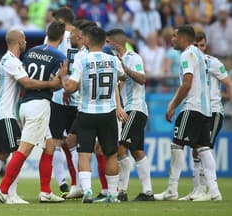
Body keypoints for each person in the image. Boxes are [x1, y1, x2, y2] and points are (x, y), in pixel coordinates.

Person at [0, 28, 60, 204]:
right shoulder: (12, 61)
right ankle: (10, 194)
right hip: (5, 113)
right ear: (19, 41)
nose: (26, 43)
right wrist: (51, 83)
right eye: (24, 39)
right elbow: (27, 82)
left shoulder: (7, 60)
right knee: (17, 151)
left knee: (1, 153)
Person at [58, 26, 126, 203]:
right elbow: (122, 76)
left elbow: (70, 87)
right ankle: (112, 194)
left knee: (84, 154)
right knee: (111, 154)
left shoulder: (83, 60)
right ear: (104, 41)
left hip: (87, 113)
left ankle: (87, 192)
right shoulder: (113, 60)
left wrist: (63, 77)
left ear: (87, 41)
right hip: (108, 113)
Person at [154, 25, 222, 201]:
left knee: (177, 145)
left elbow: (187, 83)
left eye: (175, 36)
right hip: (206, 110)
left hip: (192, 107)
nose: (172, 39)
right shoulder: (199, 55)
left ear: (183, 38)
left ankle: (171, 189)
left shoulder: (187, 54)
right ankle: (214, 192)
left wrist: (172, 105)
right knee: (203, 148)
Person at [178, 32, 232, 201]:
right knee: (197, 150)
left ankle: (212, 191)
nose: (199, 48)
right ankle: (198, 190)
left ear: (206, 46)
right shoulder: (191, 61)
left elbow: (228, 84)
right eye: (196, 45)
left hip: (214, 110)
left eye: (202, 45)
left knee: (203, 148)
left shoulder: (213, 62)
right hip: (200, 110)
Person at [106, 29, 154, 201]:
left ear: (115, 43)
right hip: (126, 109)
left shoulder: (133, 57)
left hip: (135, 107)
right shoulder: (113, 60)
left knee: (121, 147)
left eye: (108, 42)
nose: (106, 45)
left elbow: (142, 79)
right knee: (136, 150)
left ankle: (122, 191)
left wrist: (125, 69)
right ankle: (147, 191)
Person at [47, 7, 79, 197]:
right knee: (75, 144)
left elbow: (49, 60)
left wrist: (61, 85)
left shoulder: (55, 35)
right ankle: (78, 184)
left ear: (59, 20)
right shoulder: (81, 35)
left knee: (56, 141)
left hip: (58, 95)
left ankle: (61, 182)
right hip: (78, 95)